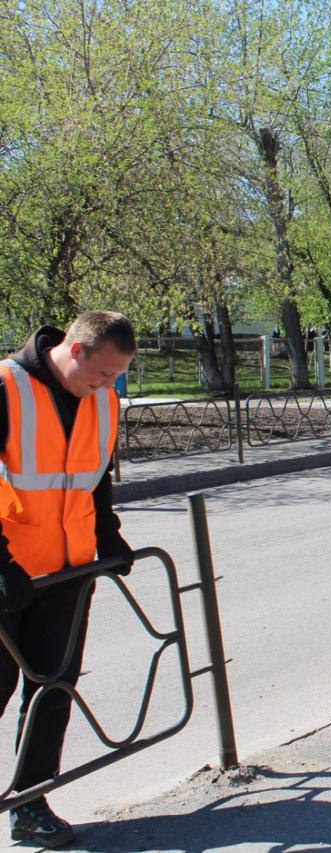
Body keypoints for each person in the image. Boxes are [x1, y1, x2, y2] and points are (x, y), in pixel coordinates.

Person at [0, 311, 135, 848]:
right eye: (103, 374)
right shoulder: (7, 389)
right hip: (8, 573)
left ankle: (30, 804)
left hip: (68, 571)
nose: (108, 386)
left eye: (117, 378)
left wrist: (109, 537)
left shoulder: (101, 399)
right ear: (75, 351)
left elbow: (95, 477)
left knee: (52, 687)